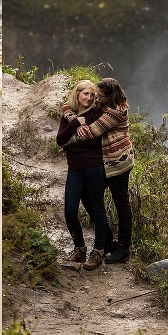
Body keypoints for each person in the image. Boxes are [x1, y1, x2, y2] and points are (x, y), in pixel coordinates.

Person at [66, 78, 135, 263]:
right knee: (88, 196)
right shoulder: (103, 104)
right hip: (104, 163)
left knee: (121, 204)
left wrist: (66, 141)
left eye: (101, 96)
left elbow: (91, 132)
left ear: (110, 97)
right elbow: (67, 105)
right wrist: (72, 117)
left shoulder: (116, 112)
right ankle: (108, 239)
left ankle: (123, 248)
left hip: (119, 163)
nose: (96, 98)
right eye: (96, 94)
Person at [56, 80, 109, 271]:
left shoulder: (97, 113)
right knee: (70, 211)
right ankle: (79, 249)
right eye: (85, 94)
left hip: (94, 167)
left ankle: (98, 251)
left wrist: (70, 144)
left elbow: (92, 142)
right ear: (77, 94)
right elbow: (59, 140)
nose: (89, 98)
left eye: (92, 94)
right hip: (75, 169)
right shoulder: (69, 116)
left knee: (97, 208)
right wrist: (74, 125)